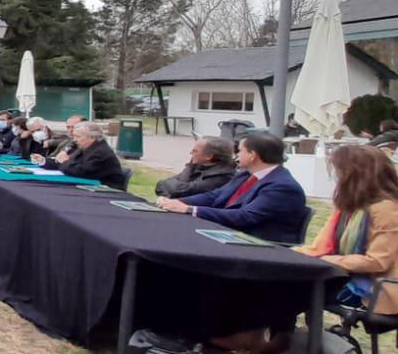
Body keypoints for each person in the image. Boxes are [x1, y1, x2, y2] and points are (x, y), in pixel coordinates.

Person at [297, 144, 398, 316]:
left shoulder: (385, 209)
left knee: (292, 290)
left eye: (339, 172)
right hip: (348, 277)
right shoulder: (349, 208)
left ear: (354, 176)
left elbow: (378, 261)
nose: (336, 178)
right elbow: (321, 247)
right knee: (285, 283)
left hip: (372, 289)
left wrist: (327, 261)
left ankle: (280, 338)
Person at [156, 131, 308, 244]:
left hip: (256, 245)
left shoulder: (282, 187)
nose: (236, 156)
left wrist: (191, 210)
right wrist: (180, 202)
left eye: (240, 151)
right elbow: (215, 196)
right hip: (229, 235)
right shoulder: (246, 175)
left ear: (252, 155)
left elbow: (245, 217)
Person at [32, 120, 126, 185]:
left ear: (92, 137)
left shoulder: (100, 152)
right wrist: (43, 161)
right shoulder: (85, 147)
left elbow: (81, 171)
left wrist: (65, 161)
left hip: (107, 190)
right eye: (74, 137)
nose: (74, 140)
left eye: (78, 137)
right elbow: (68, 164)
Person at [154, 137, 237, 199]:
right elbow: (160, 185)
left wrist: (189, 167)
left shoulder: (223, 176)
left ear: (209, 156)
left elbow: (180, 191)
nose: (190, 152)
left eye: (195, 151)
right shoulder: (197, 166)